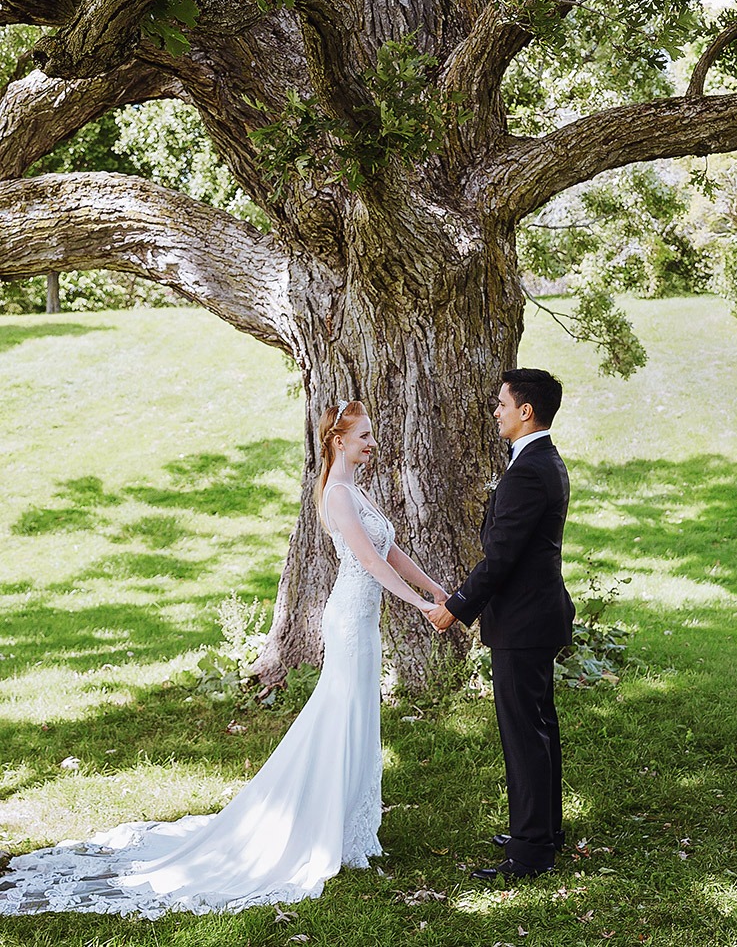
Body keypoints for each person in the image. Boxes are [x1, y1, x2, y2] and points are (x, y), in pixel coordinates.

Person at [0, 400, 445, 917]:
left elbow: (389, 551)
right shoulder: (338, 493)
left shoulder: (357, 490)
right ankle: (322, 828)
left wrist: (437, 590)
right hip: (348, 619)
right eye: (364, 435)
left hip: (363, 620)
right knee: (338, 715)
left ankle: (350, 828)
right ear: (338, 441)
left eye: (372, 434)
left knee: (357, 716)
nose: (372, 442)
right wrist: (417, 605)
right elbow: (367, 560)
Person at [428, 368, 575, 880]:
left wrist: (458, 604)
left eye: (501, 404)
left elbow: (501, 557)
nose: (496, 412)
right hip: (536, 615)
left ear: (525, 411)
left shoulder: (530, 470)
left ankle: (531, 851)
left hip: (523, 620)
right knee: (537, 728)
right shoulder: (540, 462)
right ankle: (543, 830)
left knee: (523, 734)